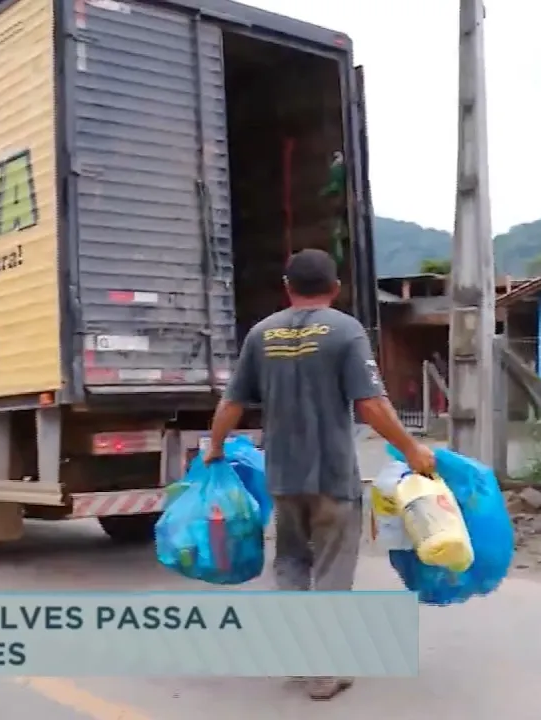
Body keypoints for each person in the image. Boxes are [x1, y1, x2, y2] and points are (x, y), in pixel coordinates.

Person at [202, 248, 435, 702]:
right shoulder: (346, 331)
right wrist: (412, 447)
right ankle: (325, 669)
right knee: (332, 566)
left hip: (283, 476)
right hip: (331, 475)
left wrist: (214, 447)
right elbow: (370, 403)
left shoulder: (261, 333)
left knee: (291, 560)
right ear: (336, 288)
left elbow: (231, 402)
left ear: (287, 288)